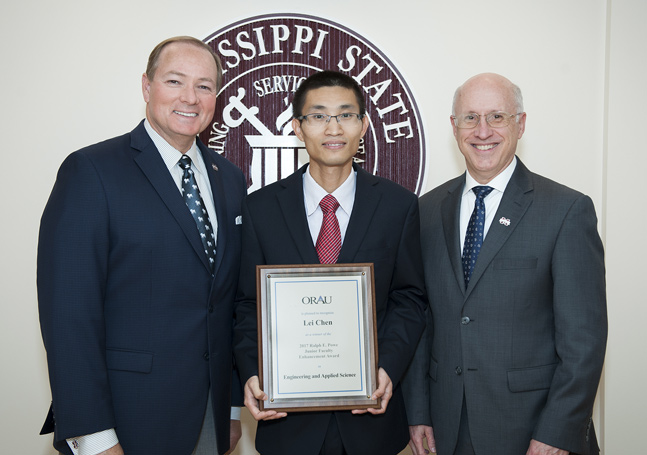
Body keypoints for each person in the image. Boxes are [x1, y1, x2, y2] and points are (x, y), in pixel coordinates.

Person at [37, 36, 246, 455]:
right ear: (147, 87)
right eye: (174, 81)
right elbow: (68, 315)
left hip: (211, 418)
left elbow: (229, 302)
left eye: (204, 86)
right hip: (124, 421)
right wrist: (92, 437)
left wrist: (234, 408)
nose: (190, 97)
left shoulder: (230, 179)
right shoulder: (91, 171)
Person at [402, 73, 608, 455]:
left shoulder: (566, 211)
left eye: (497, 116)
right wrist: (418, 412)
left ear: (520, 123)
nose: (483, 131)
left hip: (534, 432)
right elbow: (419, 321)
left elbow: (584, 342)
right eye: (470, 118)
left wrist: (556, 433)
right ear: (453, 126)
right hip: (446, 430)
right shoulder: (426, 211)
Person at [232, 70, 427, 455]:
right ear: (297, 128)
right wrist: (254, 371)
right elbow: (246, 305)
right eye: (318, 116)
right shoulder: (261, 209)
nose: (333, 127)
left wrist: (386, 366)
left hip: (372, 419)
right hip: (289, 423)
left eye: (346, 114)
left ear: (364, 126)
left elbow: (409, 298)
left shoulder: (398, 206)